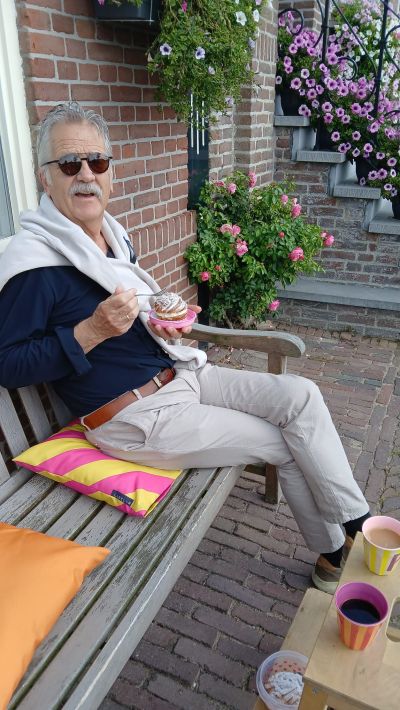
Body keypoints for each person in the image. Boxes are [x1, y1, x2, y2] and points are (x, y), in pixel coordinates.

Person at [0, 102, 370, 594]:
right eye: (69, 164)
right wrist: (90, 332)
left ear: (110, 174)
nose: (86, 175)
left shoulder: (112, 242)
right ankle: (334, 556)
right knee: (282, 444)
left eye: (97, 162)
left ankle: (358, 523)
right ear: (45, 179)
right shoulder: (34, 265)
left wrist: (163, 325)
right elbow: (8, 364)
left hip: (183, 376)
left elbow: (137, 326)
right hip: (135, 418)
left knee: (299, 395)